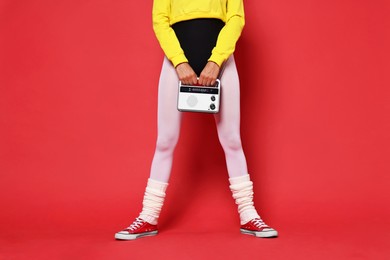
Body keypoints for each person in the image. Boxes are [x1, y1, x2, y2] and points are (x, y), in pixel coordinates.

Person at [115, 0, 278, 240]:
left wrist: (216, 60)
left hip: (221, 62)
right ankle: (148, 216)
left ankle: (249, 214)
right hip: (176, 64)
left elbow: (236, 18)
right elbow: (160, 20)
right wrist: (179, 62)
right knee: (165, 141)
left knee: (232, 140)